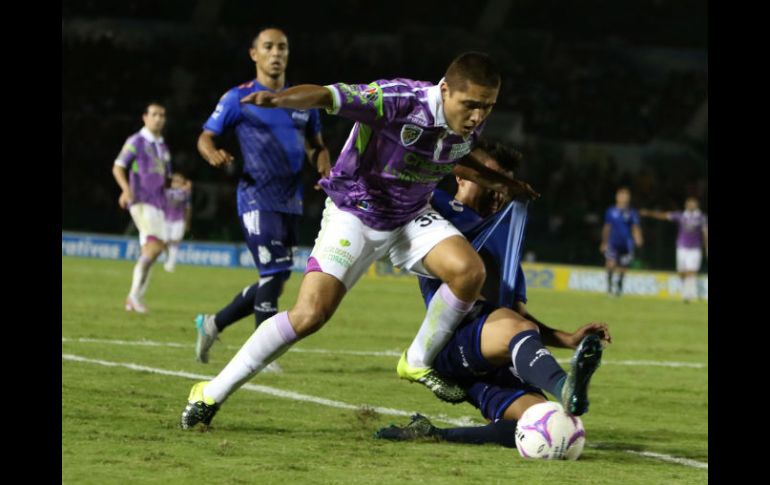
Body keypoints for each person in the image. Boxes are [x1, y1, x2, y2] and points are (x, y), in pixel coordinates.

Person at [180, 51, 539, 430]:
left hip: (411, 216)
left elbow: (452, 156)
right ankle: (209, 393)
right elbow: (325, 96)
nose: (479, 116)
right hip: (356, 212)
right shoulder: (396, 99)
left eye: (487, 107)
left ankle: (417, 360)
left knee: (468, 272)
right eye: (471, 105)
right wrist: (280, 99)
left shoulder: (466, 124)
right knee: (309, 316)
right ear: (445, 89)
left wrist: (502, 182)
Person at [375, 141, 610, 447]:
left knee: (551, 424)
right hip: (455, 339)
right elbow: (402, 179)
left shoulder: (503, 246)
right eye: (493, 180)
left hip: (488, 356)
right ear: (462, 176)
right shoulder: (437, 210)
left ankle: (432, 433)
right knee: (519, 330)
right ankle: (565, 385)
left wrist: (567, 339)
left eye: (505, 185)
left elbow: (518, 317)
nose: (499, 191)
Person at [193, 27, 331, 363]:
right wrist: (211, 152)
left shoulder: (303, 100)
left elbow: (317, 147)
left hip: (291, 200)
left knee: (278, 277)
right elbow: (205, 136)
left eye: (282, 47)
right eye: (268, 47)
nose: (276, 53)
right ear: (254, 54)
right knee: (272, 275)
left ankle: (214, 323)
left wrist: (326, 169)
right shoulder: (237, 98)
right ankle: (262, 358)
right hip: (255, 197)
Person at [112, 102, 171, 313]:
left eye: (162, 115)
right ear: (144, 117)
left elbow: (166, 178)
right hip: (141, 201)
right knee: (154, 247)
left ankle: (136, 298)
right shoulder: (136, 141)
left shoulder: (162, 146)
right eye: (154, 114)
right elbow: (118, 166)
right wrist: (126, 190)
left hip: (159, 204)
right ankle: (133, 297)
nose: (158, 118)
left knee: (154, 249)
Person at [640, 197, 708, 302]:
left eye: (693, 203)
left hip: (695, 248)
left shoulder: (701, 217)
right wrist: (648, 213)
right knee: (682, 272)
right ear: (686, 204)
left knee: (691, 271)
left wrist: (706, 246)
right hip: (682, 247)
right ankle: (687, 291)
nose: (691, 205)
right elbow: (663, 215)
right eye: (689, 203)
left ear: (697, 205)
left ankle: (688, 295)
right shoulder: (681, 216)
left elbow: (705, 233)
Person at [600, 187, 643, 297]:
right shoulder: (611, 211)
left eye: (626, 196)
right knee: (610, 263)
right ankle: (609, 287)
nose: (624, 198)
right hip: (613, 242)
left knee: (623, 267)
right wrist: (604, 242)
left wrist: (638, 237)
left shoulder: (632, 212)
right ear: (617, 197)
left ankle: (619, 285)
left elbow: (635, 227)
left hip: (627, 243)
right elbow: (607, 227)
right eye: (621, 195)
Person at [163, 172, 192, 272]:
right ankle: (168, 259)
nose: (176, 183)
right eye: (174, 181)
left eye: (178, 181)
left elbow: (188, 208)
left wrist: (187, 222)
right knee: (165, 242)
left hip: (178, 221)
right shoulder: (167, 192)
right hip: (166, 220)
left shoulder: (185, 194)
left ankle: (171, 264)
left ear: (182, 183)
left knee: (174, 242)